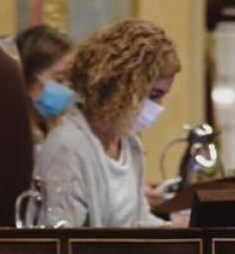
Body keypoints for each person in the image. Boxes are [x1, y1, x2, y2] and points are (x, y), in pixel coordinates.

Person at [35, 19, 180, 228]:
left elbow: (138, 222)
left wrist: (177, 229)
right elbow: (61, 240)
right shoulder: (67, 147)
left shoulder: (130, 145)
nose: (159, 106)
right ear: (121, 87)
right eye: (154, 94)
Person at [15, 24, 74, 145]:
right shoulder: (7, 138)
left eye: (71, 79)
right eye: (60, 80)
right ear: (29, 79)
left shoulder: (52, 132)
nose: (68, 88)